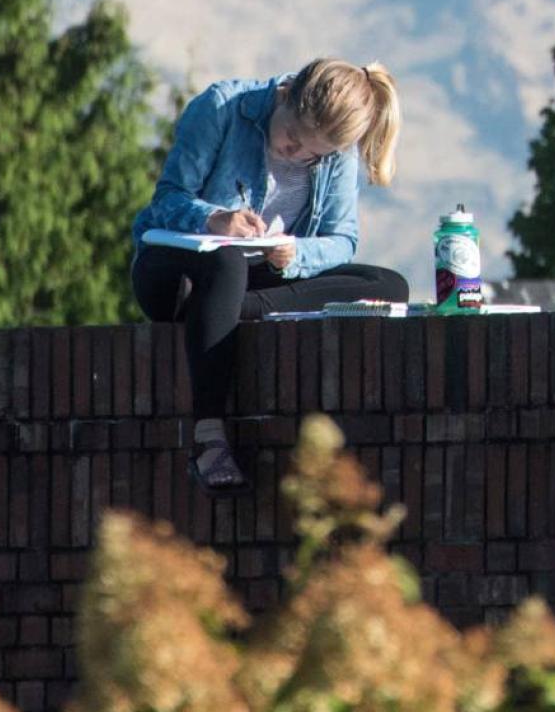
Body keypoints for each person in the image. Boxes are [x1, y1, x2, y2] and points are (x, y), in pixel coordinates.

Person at [130, 58, 411, 490]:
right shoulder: (223, 106)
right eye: (292, 137)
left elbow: (341, 241)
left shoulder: (338, 156)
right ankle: (209, 437)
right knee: (224, 263)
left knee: (388, 286)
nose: (294, 153)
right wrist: (214, 219)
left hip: (258, 276)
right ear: (285, 95)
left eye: (310, 154)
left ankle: (228, 311)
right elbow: (165, 201)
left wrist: (296, 253)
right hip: (182, 268)